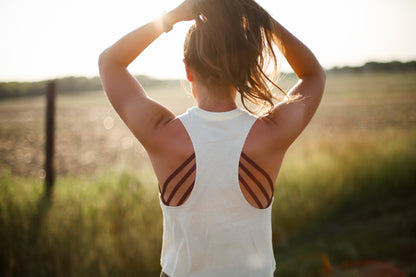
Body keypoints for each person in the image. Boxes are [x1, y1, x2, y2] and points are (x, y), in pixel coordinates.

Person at [98, 0, 326, 276]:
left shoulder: (161, 132)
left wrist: (172, 17)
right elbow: (313, 74)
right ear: (245, 68)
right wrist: (259, 19)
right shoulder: (270, 134)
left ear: (187, 69)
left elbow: (110, 62)